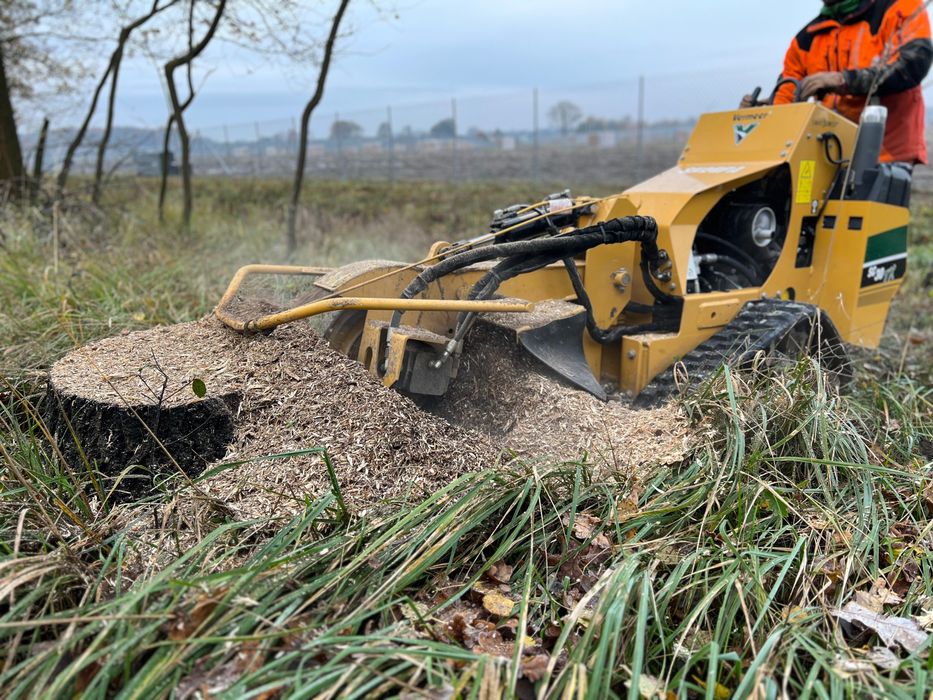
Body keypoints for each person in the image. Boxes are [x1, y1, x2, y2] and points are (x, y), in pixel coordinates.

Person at [743, 0, 933, 165]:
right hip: (830, 155)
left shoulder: (900, 7)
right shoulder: (807, 38)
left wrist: (843, 80)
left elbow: (913, 64)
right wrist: (763, 113)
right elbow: (786, 95)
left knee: (876, 206)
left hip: (887, 152)